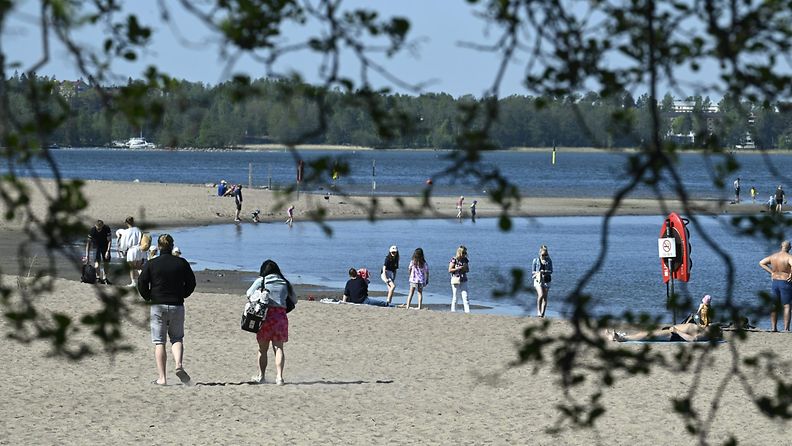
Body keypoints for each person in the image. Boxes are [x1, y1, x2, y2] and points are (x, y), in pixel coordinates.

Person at [137, 234, 196, 386]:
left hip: (158, 304)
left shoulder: (152, 263)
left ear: (158, 246)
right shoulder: (181, 263)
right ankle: (178, 365)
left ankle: (162, 378)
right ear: (172, 246)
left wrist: (148, 297)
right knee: (177, 338)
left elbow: (142, 283)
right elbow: (191, 283)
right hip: (176, 304)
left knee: (159, 342)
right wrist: (183, 294)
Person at [245, 260, 297, 385]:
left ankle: (261, 376)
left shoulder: (261, 281)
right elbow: (294, 300)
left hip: (264, 318)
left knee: (262, 349)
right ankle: (279, 377)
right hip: (280, 317)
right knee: (279, 348)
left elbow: (248, 293)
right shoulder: (285, 282)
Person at [759, 241, 792, 331]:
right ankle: (786, 329)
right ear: (790, 247)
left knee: (774, 305)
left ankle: (773, 328)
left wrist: (772, 272)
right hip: (785, 282)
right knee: (786, 305)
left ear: (781, 246)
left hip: (775, 282)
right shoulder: (789, 257)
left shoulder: (773, 256)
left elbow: (761, 263)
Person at [607, 323, 722, 342]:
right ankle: (620, 336)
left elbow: (693, 340)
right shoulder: (703, 329)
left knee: (648, 335)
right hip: (671, 330)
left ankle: (622, 338)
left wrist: (677, 331)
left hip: (673, 335)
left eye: (709, 326)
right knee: (647, 332)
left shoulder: (704, 335)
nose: (707, 325)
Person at [85, 219, 112, 285]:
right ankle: (98, 278)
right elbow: (88, 244)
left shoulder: (106, 228)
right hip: (96, 247)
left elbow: (110, 240)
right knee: (97, 263)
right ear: (95, 226)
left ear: (103, 226)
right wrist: (87, 256)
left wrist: (108, 251)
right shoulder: (92, 230)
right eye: (98, 228)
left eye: (100, 228)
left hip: (105, 246)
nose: (99, 229)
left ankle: (105, 278)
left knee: (106, 262)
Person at [532, 245, 553, 318]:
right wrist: (538, 272)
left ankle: (543, 313)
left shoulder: (549, 260)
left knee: (545, 297)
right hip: (538, 280)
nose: (544, 256)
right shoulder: (535, 260)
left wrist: (545, 271)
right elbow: (533, 272)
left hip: (547, 280)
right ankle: (538, 311)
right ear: (540, 253)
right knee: (540, 294)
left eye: (546, 254)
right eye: (543, 254)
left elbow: (551, 271)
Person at [448, 245, 470, 313]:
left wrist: (464, 268)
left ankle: (467, 312)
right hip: (455, 279)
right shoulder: (454, 259)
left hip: (463, 279)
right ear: (459, 252)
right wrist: (457, 268)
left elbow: (468, 270)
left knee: (465, 296)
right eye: (463, 253)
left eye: (465, 253)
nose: (464, 254)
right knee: (455, 296)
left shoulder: (465, 260)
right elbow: (450, 270)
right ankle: (453, 311)